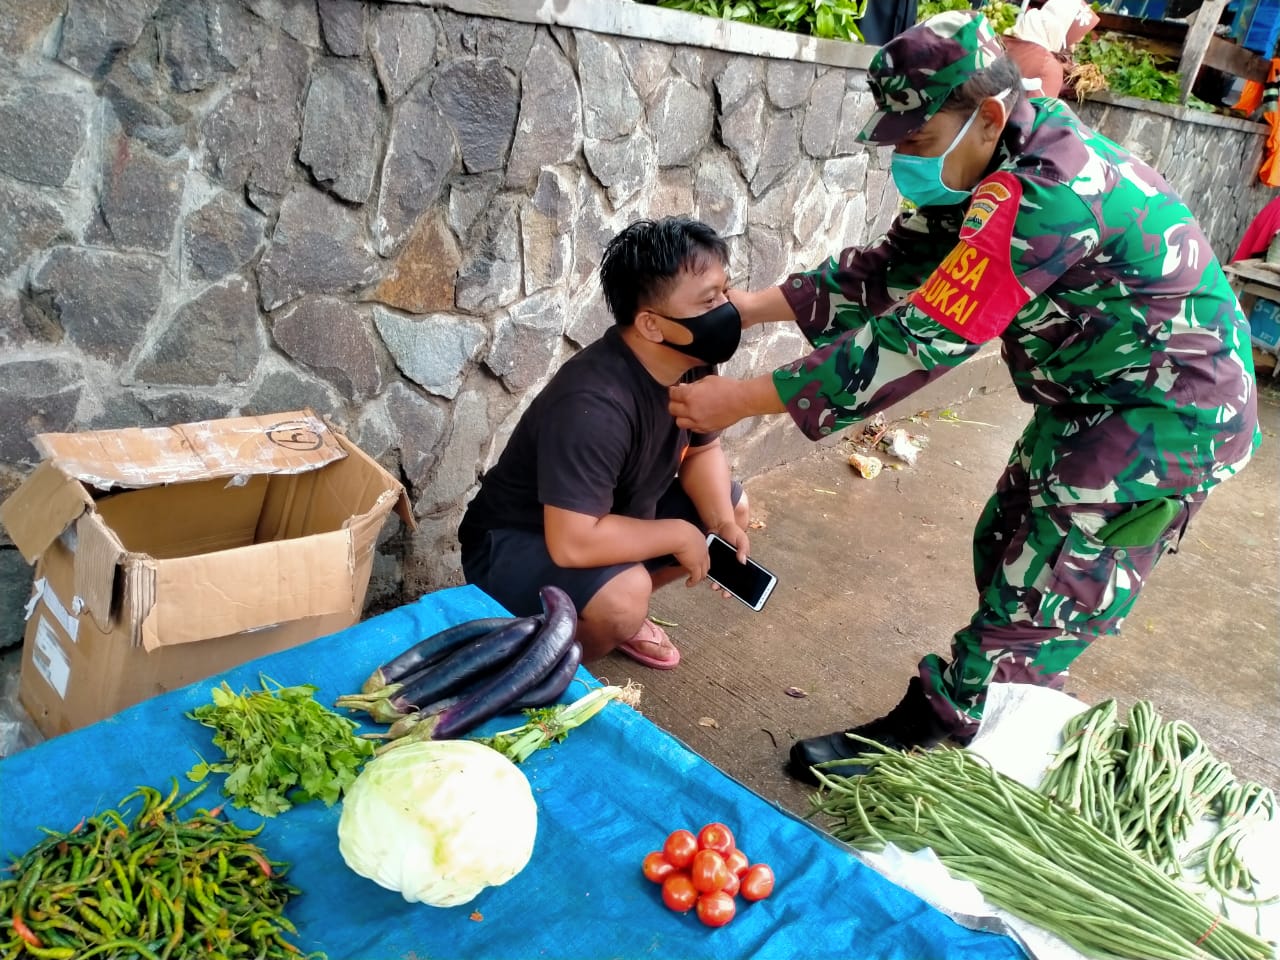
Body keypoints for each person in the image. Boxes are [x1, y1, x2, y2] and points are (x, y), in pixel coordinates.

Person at [667, 12, 1260, 783]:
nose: (907, 161)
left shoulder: (1048, 194)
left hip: (1169, 418)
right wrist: (747, 308)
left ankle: (932, 743)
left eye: (915, 143)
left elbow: (918, 340)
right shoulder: (992, 157)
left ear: (984, 112)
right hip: (1094, 399)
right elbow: (893, 267)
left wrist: (739, 400)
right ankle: (1007, 703)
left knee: (1043, 589)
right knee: (1007, 536)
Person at [459, 217, 752, 670]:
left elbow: (704, 451)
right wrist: (678, 533)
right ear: (653, 325)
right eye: (709, 300)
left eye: (725, 292)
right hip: (513, 544)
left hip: (601, 522)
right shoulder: (593, 404)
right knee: (623, 596)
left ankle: (606, 616)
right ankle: (544, 665)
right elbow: (572, 545)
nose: (727, 309)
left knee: (730, 508)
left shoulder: (691, 361)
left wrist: (719, 524)